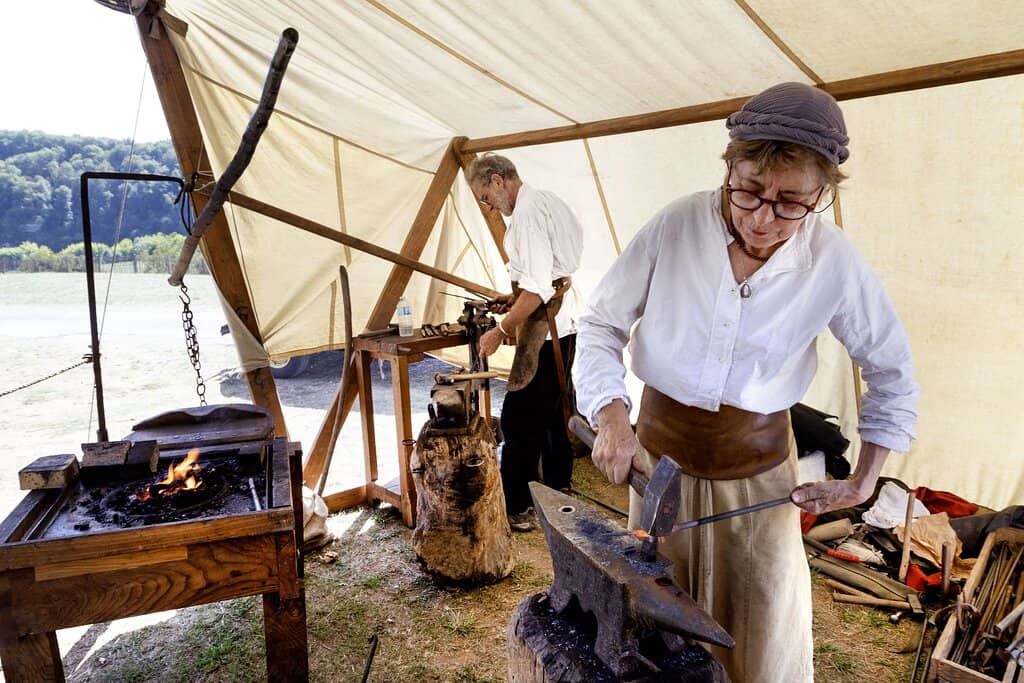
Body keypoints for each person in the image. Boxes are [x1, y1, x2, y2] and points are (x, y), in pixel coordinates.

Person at [573, 82, 919, 682]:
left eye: (791, 203)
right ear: (729, 165)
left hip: (760, 481)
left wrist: (863, 480)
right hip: (657, 466)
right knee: (654, 632)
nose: (763, 218)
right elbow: (601, 323)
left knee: (757, 641)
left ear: (822, 194)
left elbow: (890, 367)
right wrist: (611, 417)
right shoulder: (678, 224)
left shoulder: (831, 258)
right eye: (750, 191)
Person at [466, 153, 584, 533]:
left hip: (546, 327)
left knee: (519, 420)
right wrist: (511, 298)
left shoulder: (529, 215)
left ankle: (516, 505)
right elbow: (546, 276)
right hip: (564, 325)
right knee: (553, 413)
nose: (488, 204)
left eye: (486, 195)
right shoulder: (547, 200)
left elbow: (536, 291)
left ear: (498, 180)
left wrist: (501, 329)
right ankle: (559, 487)